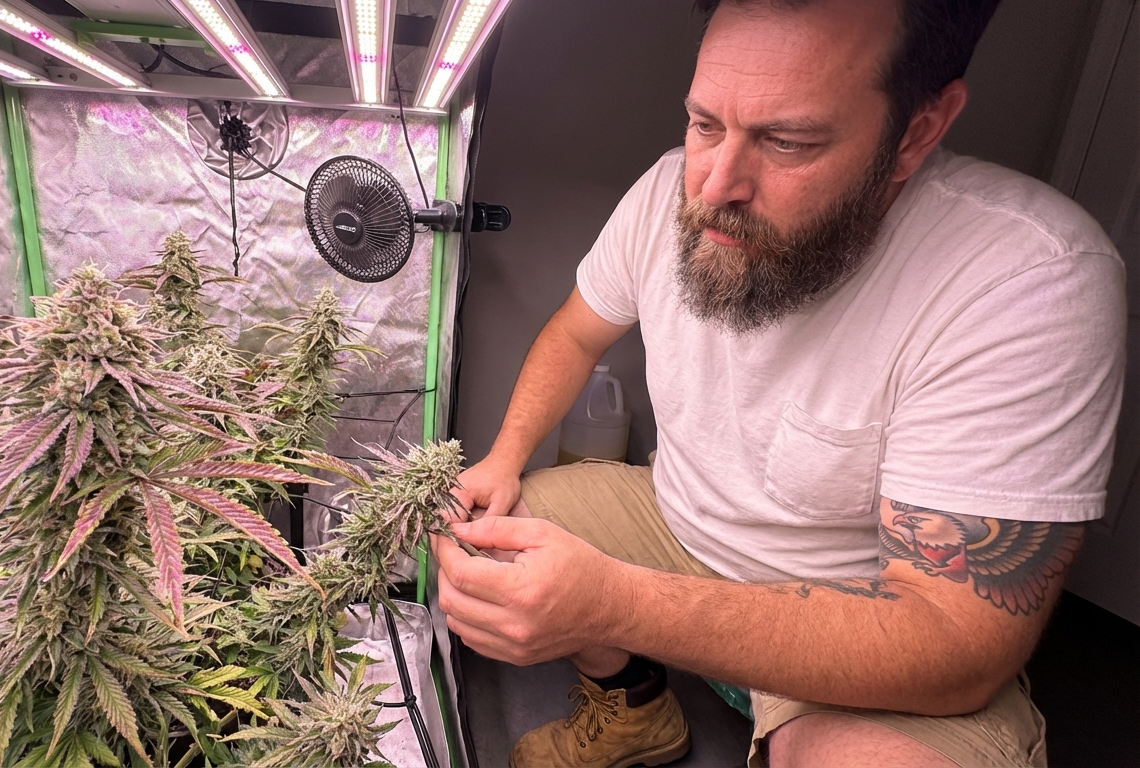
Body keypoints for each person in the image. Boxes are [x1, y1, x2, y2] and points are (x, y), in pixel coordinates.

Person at [429, 0, 1126, 766]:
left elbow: (960, 644)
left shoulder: (1027, 276)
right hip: (675, 526)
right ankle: (635, 712)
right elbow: (572, 333)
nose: (716, 184)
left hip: (856, 614)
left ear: (918, 130)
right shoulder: (669, 194)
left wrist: (614, 601)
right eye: (703, 125)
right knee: (481, 538)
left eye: (787, 141)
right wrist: (501, 458)